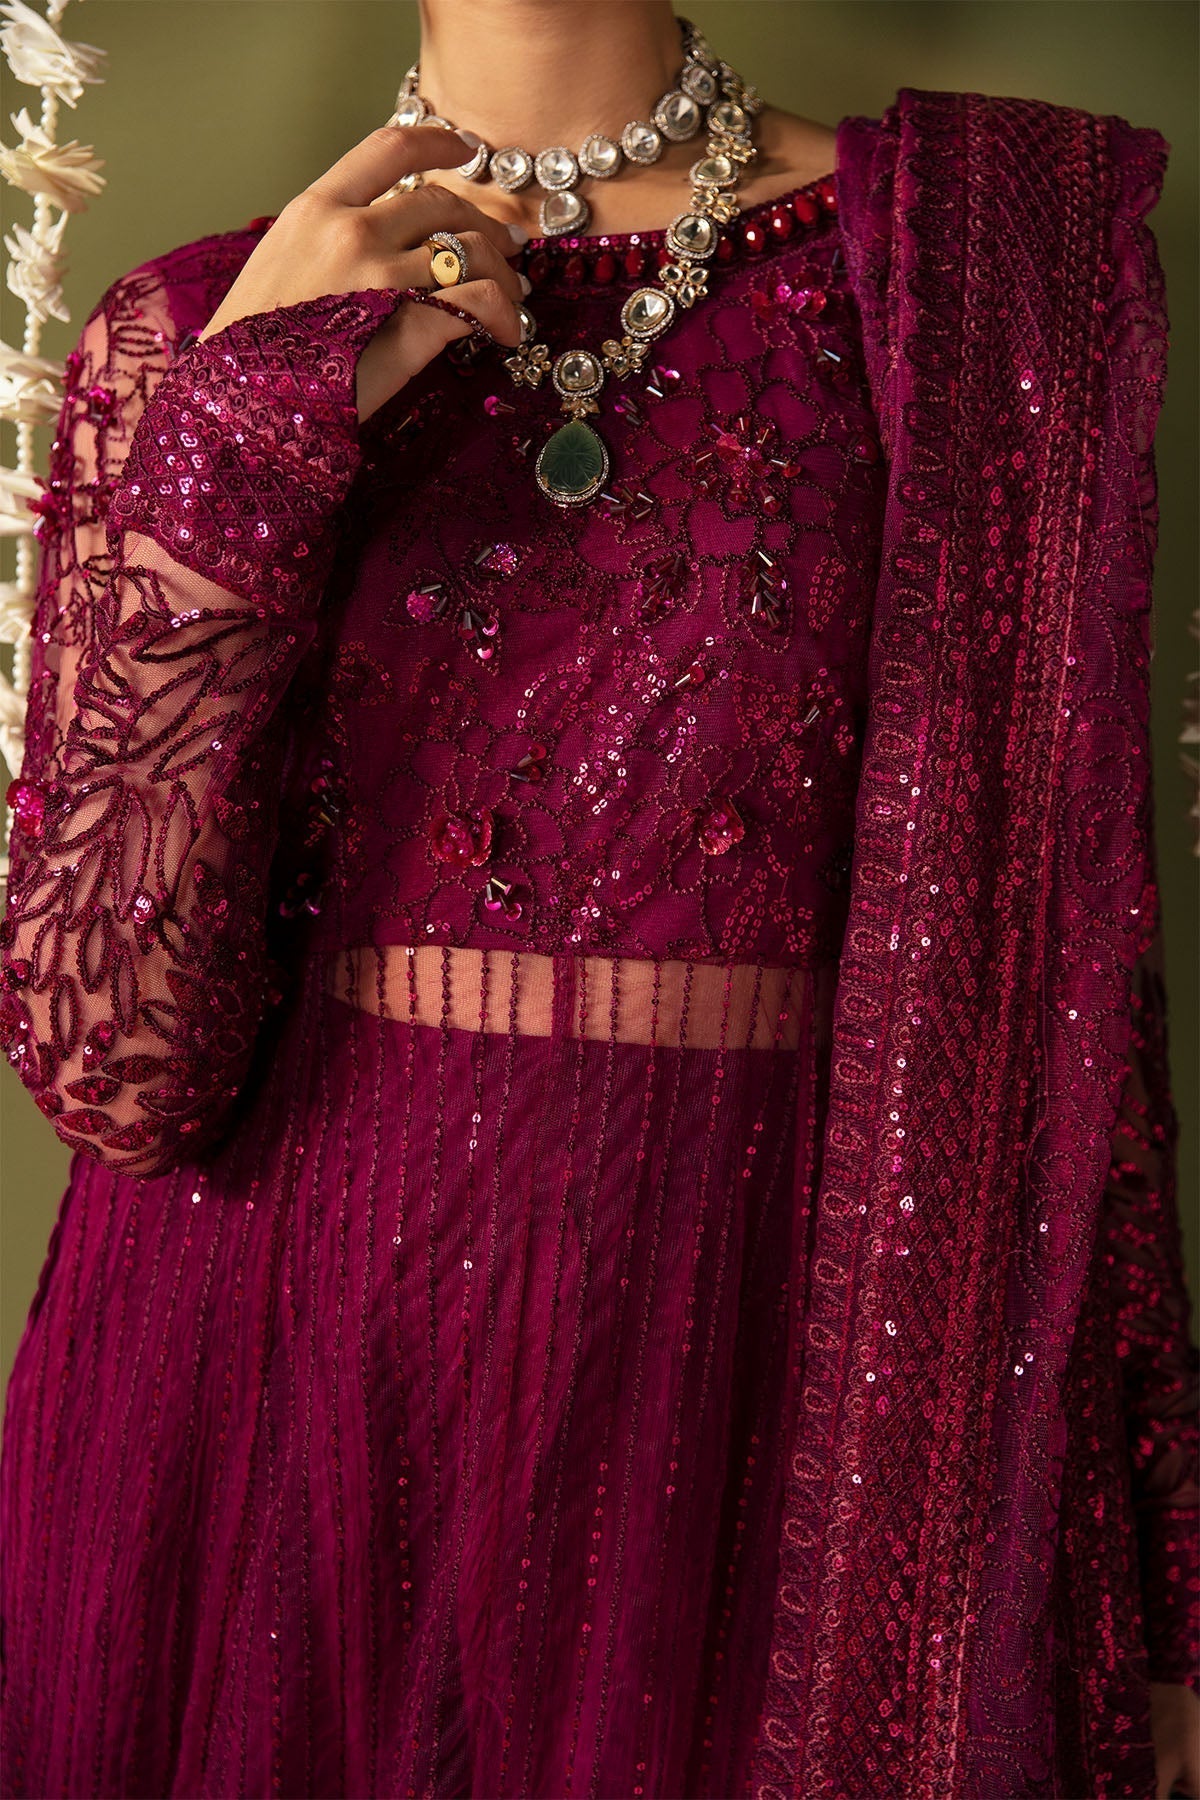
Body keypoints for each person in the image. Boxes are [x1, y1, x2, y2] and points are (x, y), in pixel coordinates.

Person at [0, 2, 1196, 1794]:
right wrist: (243, 437)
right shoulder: (196, 329)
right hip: (271, 1421)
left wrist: (1163, 1551)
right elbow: (115, 1073)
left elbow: (1065, 965)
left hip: (768, 1423)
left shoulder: (962, 272)